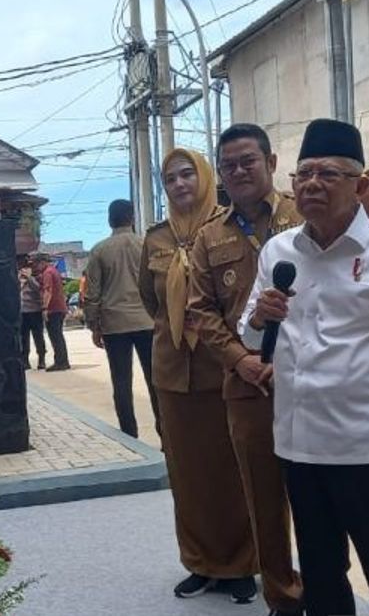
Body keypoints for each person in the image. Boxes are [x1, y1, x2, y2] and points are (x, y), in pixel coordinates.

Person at [242, 120, 369, 616]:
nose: (311, 184)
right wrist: (260, 315)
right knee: (323, 577)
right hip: (300, 445)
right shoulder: (278, 252)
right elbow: (248, 335)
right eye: (303, 174)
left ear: (360, 186)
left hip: (368, 446)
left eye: (328, 174)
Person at [189, 123, 303, 615]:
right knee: (263, 501)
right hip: (247, 389)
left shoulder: (307, 216)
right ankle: (283, 598)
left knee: (320, 497)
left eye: (248, 161)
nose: (238, 171)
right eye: (229, 165)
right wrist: (241, 359)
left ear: (271, 163)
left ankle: (327, 590)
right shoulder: (208, 237)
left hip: (311, 384)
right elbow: (200, 311)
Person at [139, 148, 258, 601]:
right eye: (170, 178)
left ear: (205, 177)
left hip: (224, 368)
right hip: (174, 372)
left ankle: (243, 563)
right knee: (186, 472)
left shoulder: (230, 228)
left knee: (235, 469)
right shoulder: (155, 239)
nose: (180, 184)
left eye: (188, 174)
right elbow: (151, 302)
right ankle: (201, 562)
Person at [85, 199, 158, 438]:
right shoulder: (146, 244)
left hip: (114, 324)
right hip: (147, 321)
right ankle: (165, 434)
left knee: (121, 382)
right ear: (132, 218)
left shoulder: (99, 250)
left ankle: (129, 436)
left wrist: (93, 325)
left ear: (109, 219)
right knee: (155, 380)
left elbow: (93, 292)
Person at [37, 254, 70, 371]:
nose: (36, 267)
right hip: (60, 308)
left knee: (55, 336)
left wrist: (45, 308)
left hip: (54, 309)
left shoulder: (48, 273)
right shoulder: (54, 271)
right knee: (58, 336)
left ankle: (60, 362)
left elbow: (48, 291)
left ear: (42, 262)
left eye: (37, 264)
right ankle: (63, 360)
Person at [18, 256, 48, 370]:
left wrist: (29, 278)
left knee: (38, 337)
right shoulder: (17, 276)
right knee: (23, 338)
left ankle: (41, 359)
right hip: (22, 312)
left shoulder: (36, 276)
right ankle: (25, 360)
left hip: (34, 311)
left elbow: (38, 288)